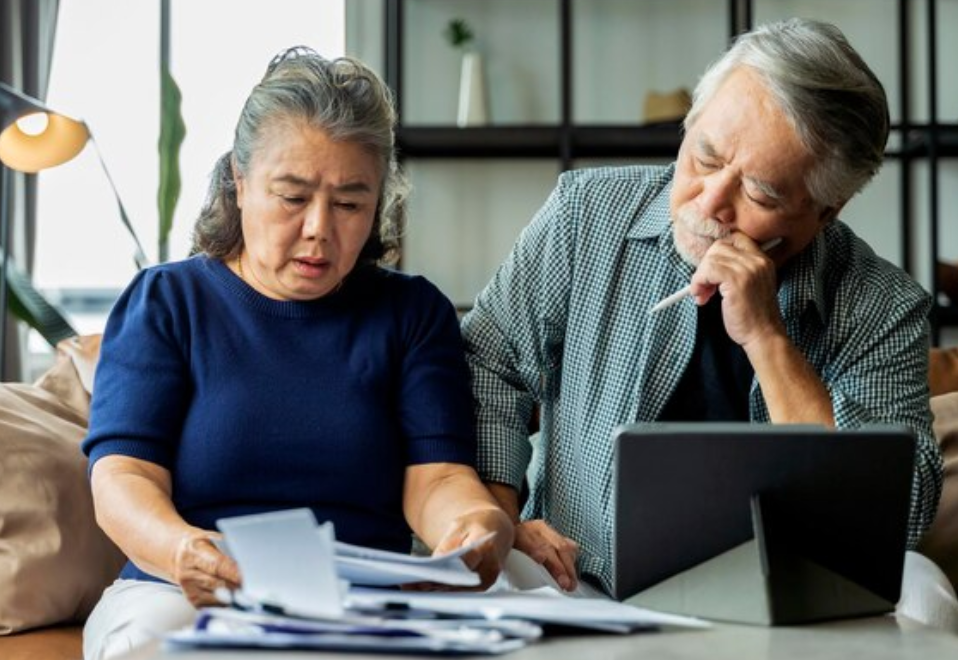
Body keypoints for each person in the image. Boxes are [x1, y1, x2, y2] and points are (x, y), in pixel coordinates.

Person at [462, 18, 958, 629]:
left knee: (924, 594)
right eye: (706, 156)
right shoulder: (581, 216)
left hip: (793, 608)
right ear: (690, 124)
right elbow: (490, 363)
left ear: (825, 210)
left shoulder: (883, 306)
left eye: (761, 193)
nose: (710, 202)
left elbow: (897, 516)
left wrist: (768, 338)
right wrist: (502, 514)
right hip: (577, 580)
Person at [81, 47, 513, 660]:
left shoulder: (411, 313)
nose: (318, 228)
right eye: (292, 196)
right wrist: (182, 550)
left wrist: (472, 527)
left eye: (349, 204)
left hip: (361, 600)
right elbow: (122, 477)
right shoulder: (168, 302)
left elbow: (438, 477)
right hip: (180, 590)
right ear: (239, 180)